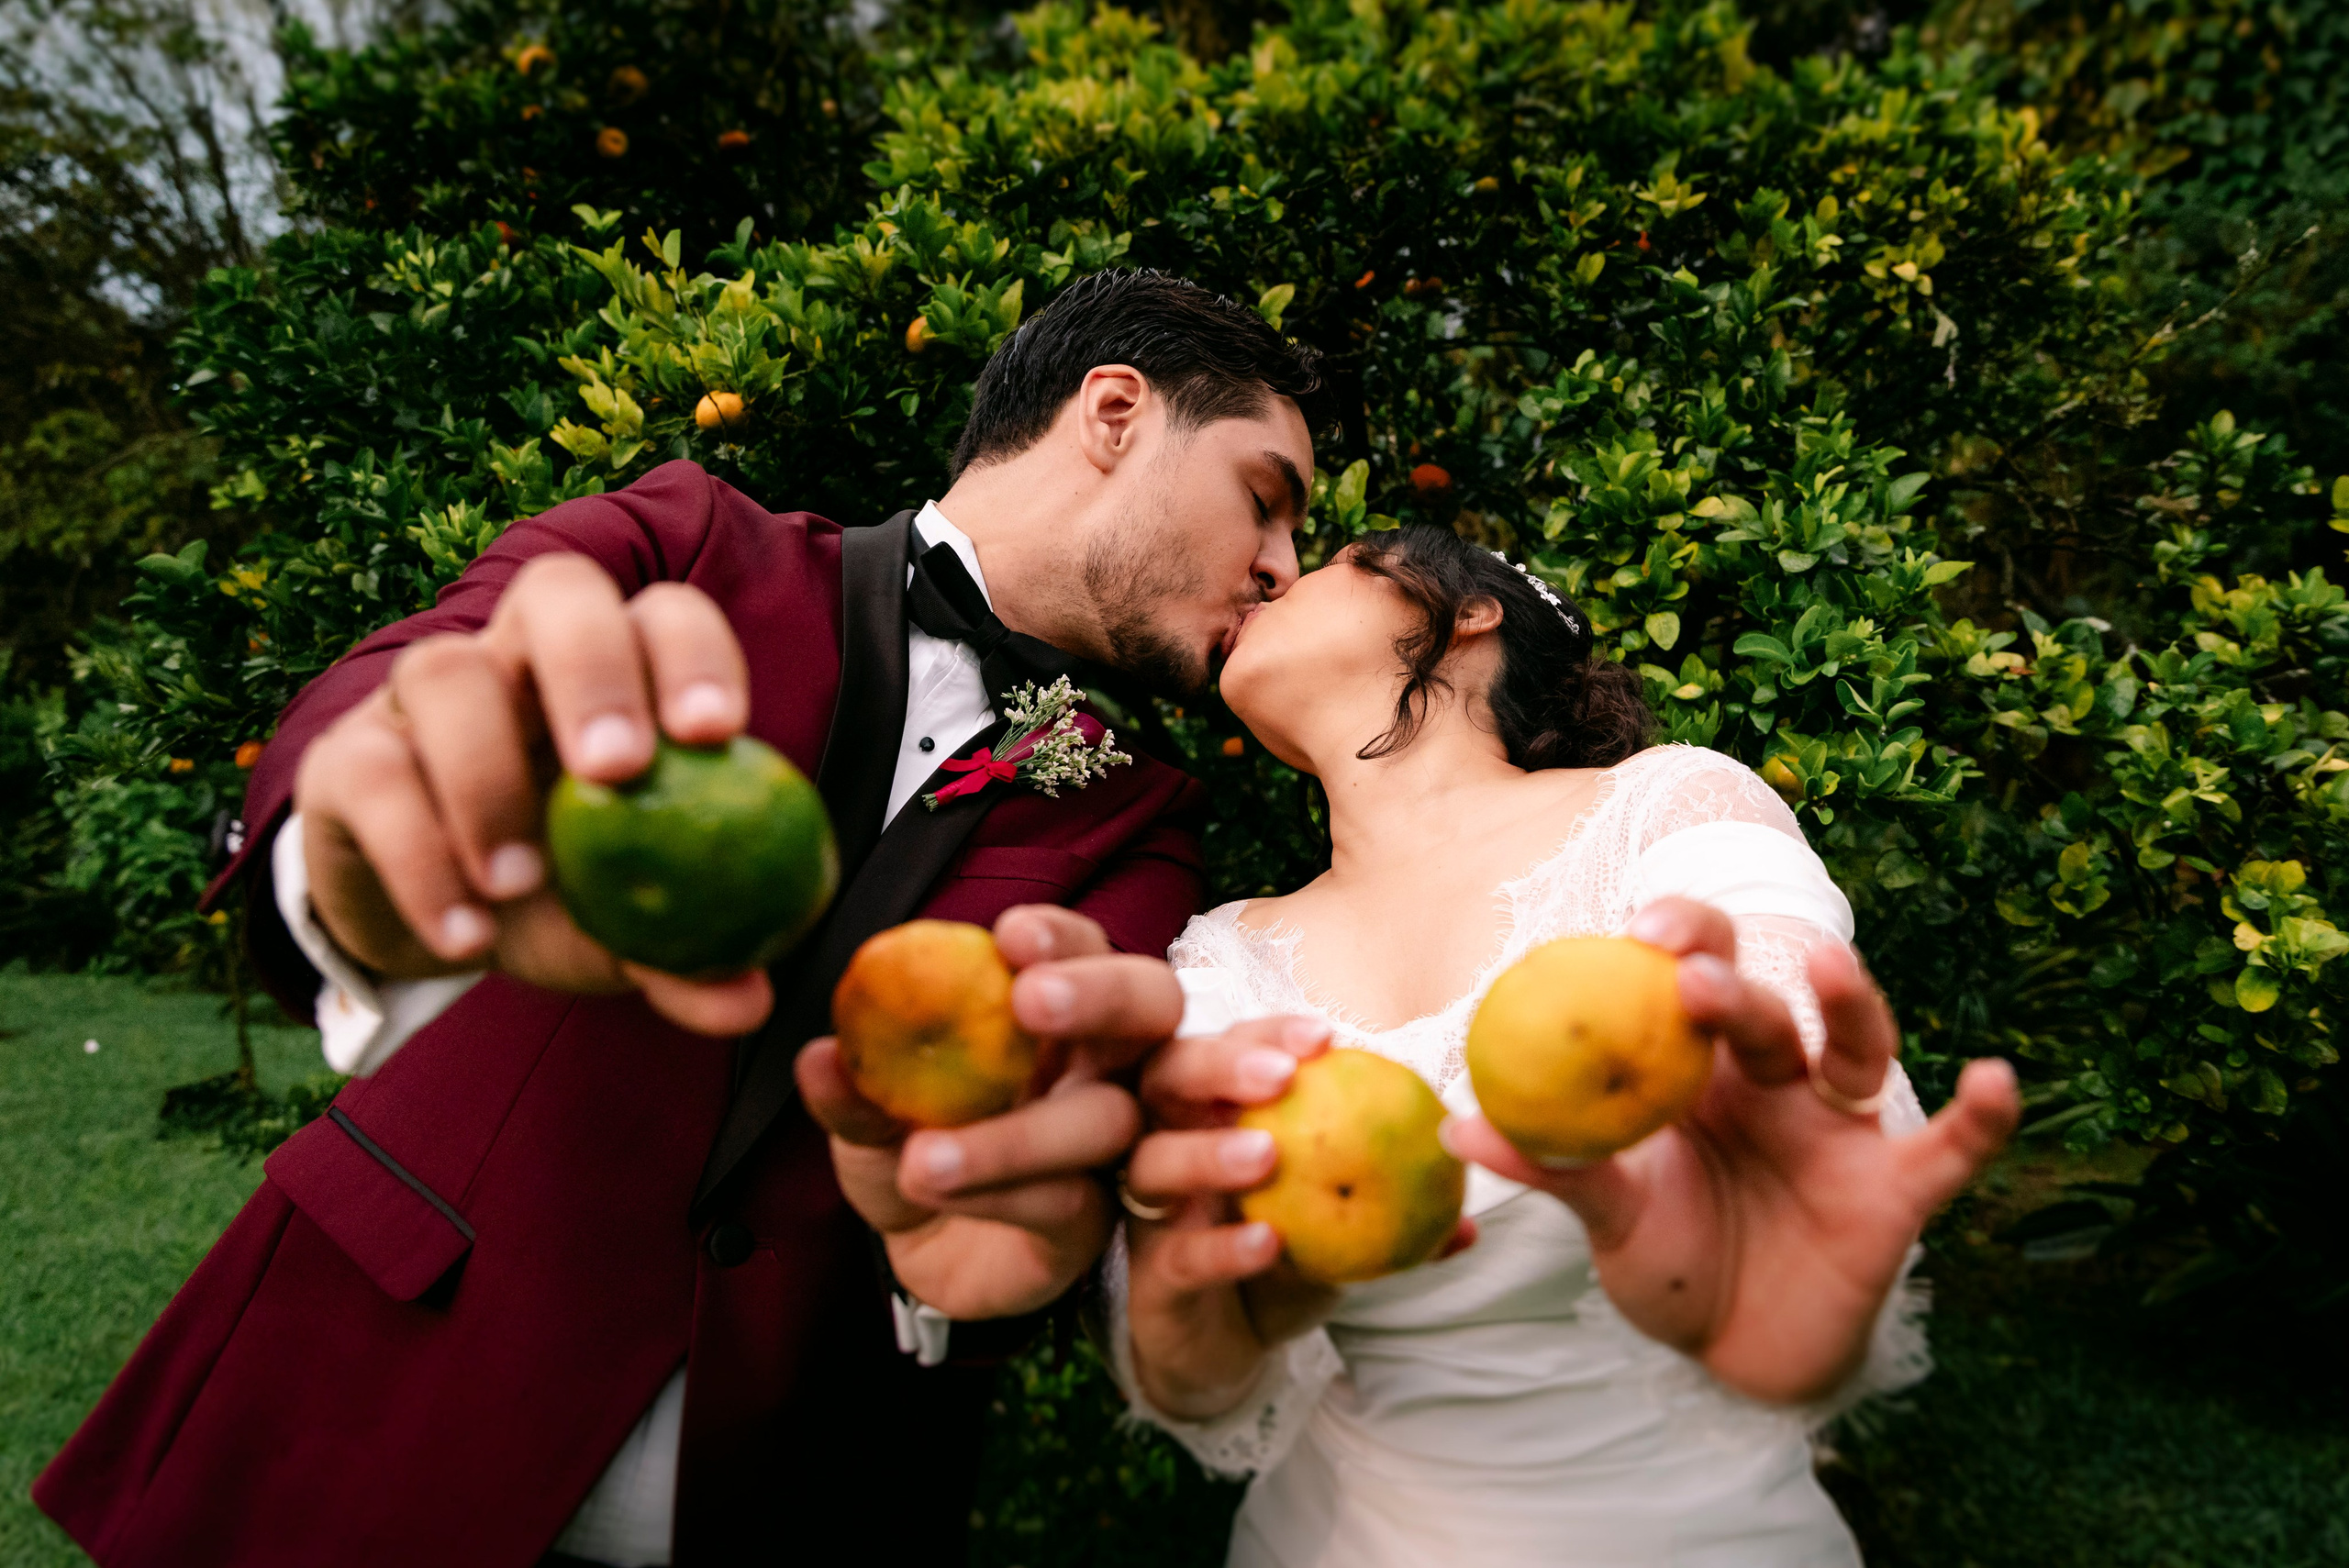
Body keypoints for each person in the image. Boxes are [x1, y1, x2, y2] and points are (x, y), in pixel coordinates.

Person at [34, 269, 1329, 1567]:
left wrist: (1006, 1249)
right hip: (376, 1405)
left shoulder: (1138, 815)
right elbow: (411, 683)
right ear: (1113, 413)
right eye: (1266, 499)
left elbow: (1039, 1152)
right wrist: (371, 850)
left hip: (786, 1497)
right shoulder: (691, 542)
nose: (1283, 565)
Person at [1109, 526, 2021, 1566]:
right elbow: (1201, 1362)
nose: (1268, 571)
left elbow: (1807, 1068)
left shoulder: (1665, 807)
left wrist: (1773, 1215)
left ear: (1466, 612)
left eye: (1327, 557)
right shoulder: (1215, 955)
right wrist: (1180, 1330)